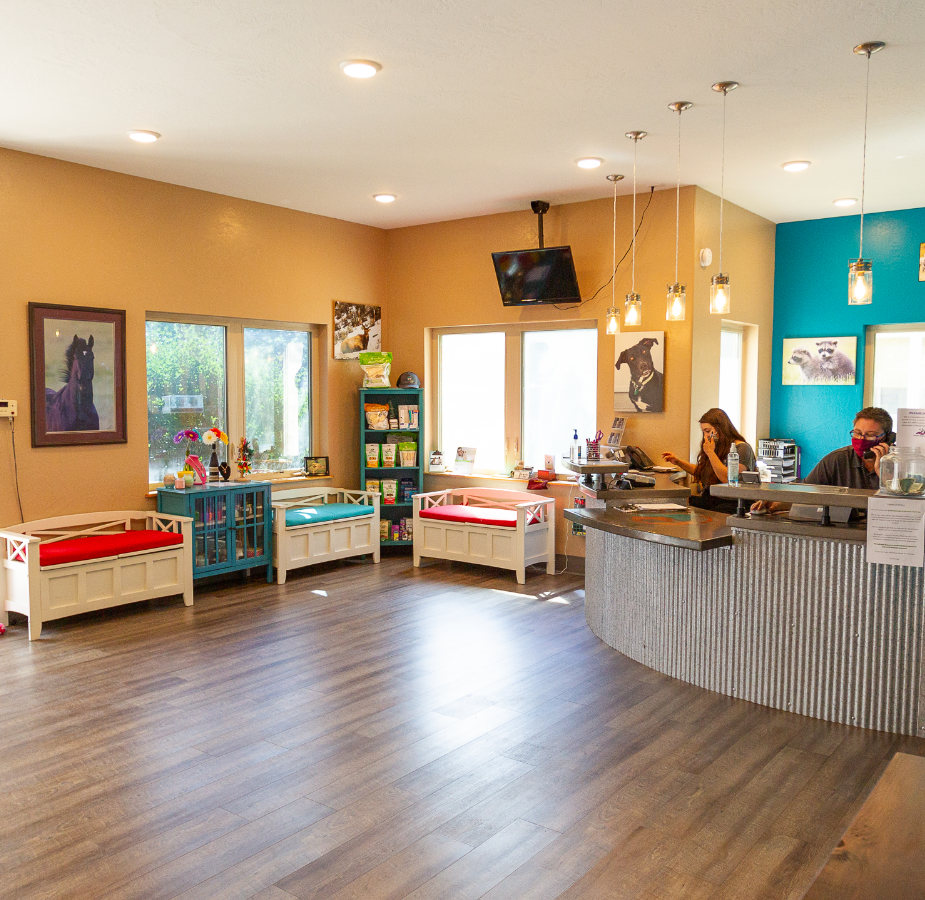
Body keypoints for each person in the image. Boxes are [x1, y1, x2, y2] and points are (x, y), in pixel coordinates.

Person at [750, 407, 893, 514]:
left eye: (870, 435)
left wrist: (884, 476)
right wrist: (772, 503)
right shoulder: (838, 459)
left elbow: (906, 507)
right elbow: (806, 491)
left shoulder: (900, 463)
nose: (861, 440)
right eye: (857, 433)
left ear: (886, 438)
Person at [662, 408, 756, 513]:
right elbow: (704, 471)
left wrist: (711, 453)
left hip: (731, 502)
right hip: (712, 498)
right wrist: (678, 462)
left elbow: (728, 478)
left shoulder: (742, 448)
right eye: (703, 432)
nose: (706, 436)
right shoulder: (717, 446)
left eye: (708, 431)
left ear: (721, 429)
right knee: (678, 502)